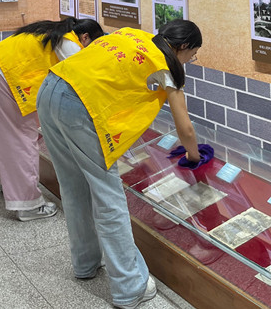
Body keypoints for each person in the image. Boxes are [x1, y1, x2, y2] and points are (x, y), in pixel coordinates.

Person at [35, 19, 202, 308]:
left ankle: (85, 263)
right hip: (80, 107)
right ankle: (130, 287)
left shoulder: (132, 34)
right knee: (108, 197)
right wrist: (194, 156)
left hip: (50, 89)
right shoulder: (167, 67)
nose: (190, 60)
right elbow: (185, 128)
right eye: (193, 55)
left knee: (73, 186)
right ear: (183, 47)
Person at [0, 17, 104, 221]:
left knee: (1, 134)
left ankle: (8, 185)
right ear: (85, 37)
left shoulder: (51, 31)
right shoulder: (70, 43)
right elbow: (83, 79)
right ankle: (28, 204)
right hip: (5, 77)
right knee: (21, 138)